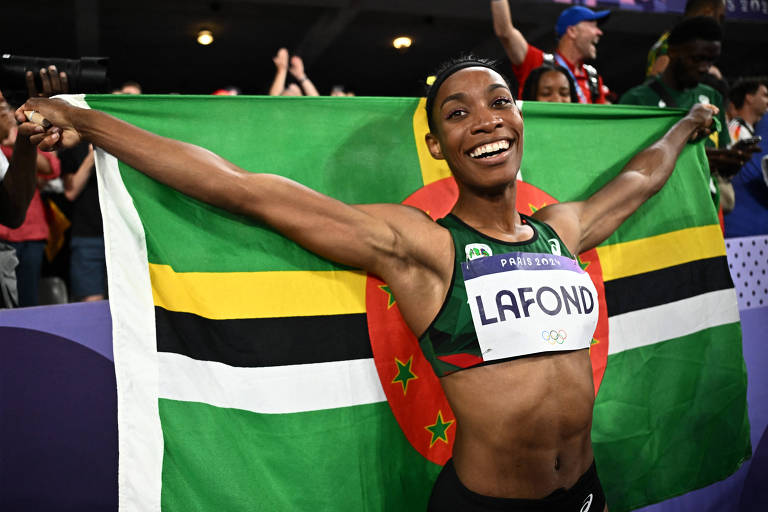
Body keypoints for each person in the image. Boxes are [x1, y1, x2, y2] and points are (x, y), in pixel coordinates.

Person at [18, 55, 716, 510]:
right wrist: (84, 120)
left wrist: (688, 124)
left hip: (588, 492)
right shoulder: (423, 250)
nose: (484, 122)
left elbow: (637, 180)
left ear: (519, 117)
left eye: (498, 101)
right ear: (438, 145)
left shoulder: (561, 230)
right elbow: (247, 192)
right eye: (458, 112)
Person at [620, 16, 757, 214]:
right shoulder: (637, 100)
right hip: (654, 212)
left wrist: (729, 162)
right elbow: (627, 167)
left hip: (704, 208)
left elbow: (718, 152)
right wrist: (695, 160)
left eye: (711, 61)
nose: (705, 68)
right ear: (673, 52)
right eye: (697, 58)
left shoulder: (712, 96)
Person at [490, 1, 610, 103]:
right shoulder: (537, 62)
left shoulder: (592, 78)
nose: (599, 32)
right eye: (593, 26)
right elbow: (504, 32)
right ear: (572, 31)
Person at [646, 0, 725, 77]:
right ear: (707, 12)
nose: (720, 23)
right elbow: (658, 78)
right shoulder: (673, 43)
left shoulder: (674, 38)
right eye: (720, 17)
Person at [728, 77, 768, 145]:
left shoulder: (744, 130)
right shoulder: (735, 129)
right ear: (749, 98)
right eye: (765, 95)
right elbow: (730, 154)